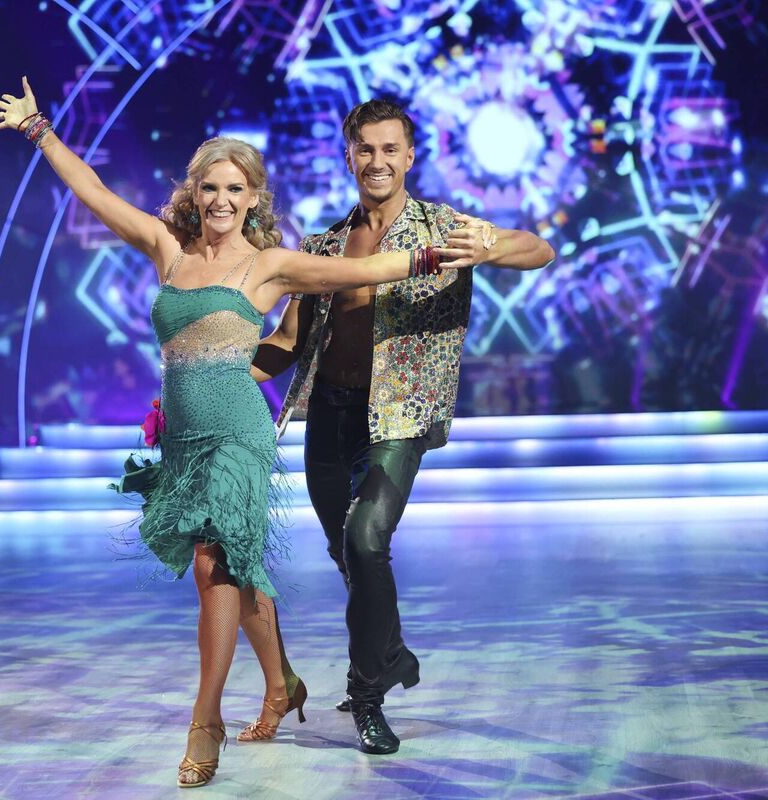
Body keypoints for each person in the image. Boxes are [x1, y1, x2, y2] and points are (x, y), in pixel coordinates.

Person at [0, 80, 460, 787]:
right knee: (239, 572)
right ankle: (282, 684)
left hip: (240, 431)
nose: (221, 199)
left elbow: (359, 268)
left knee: (215, 567)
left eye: (235, 188)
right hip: (183, 435)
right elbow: (91, 193)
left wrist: (428, 258)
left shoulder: (266, 265)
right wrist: (40, 132)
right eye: (211, 186)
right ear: (194, 192)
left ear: (252, 198)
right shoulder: (166, 249)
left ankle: (204, 721)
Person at [252, 98, 555, 755]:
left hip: (399, 416)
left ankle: (367, 696)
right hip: (328, 416)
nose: (378, 161)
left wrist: (496, 245)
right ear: (349, 155)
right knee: (349, 557)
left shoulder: (444, 229)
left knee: (367, 540)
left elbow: (540, 248)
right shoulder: (324, 245)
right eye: (366, 149)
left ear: (410, 156)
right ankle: (391, 654)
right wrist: (217, 380)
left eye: (391, 149)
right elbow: (287, 339)